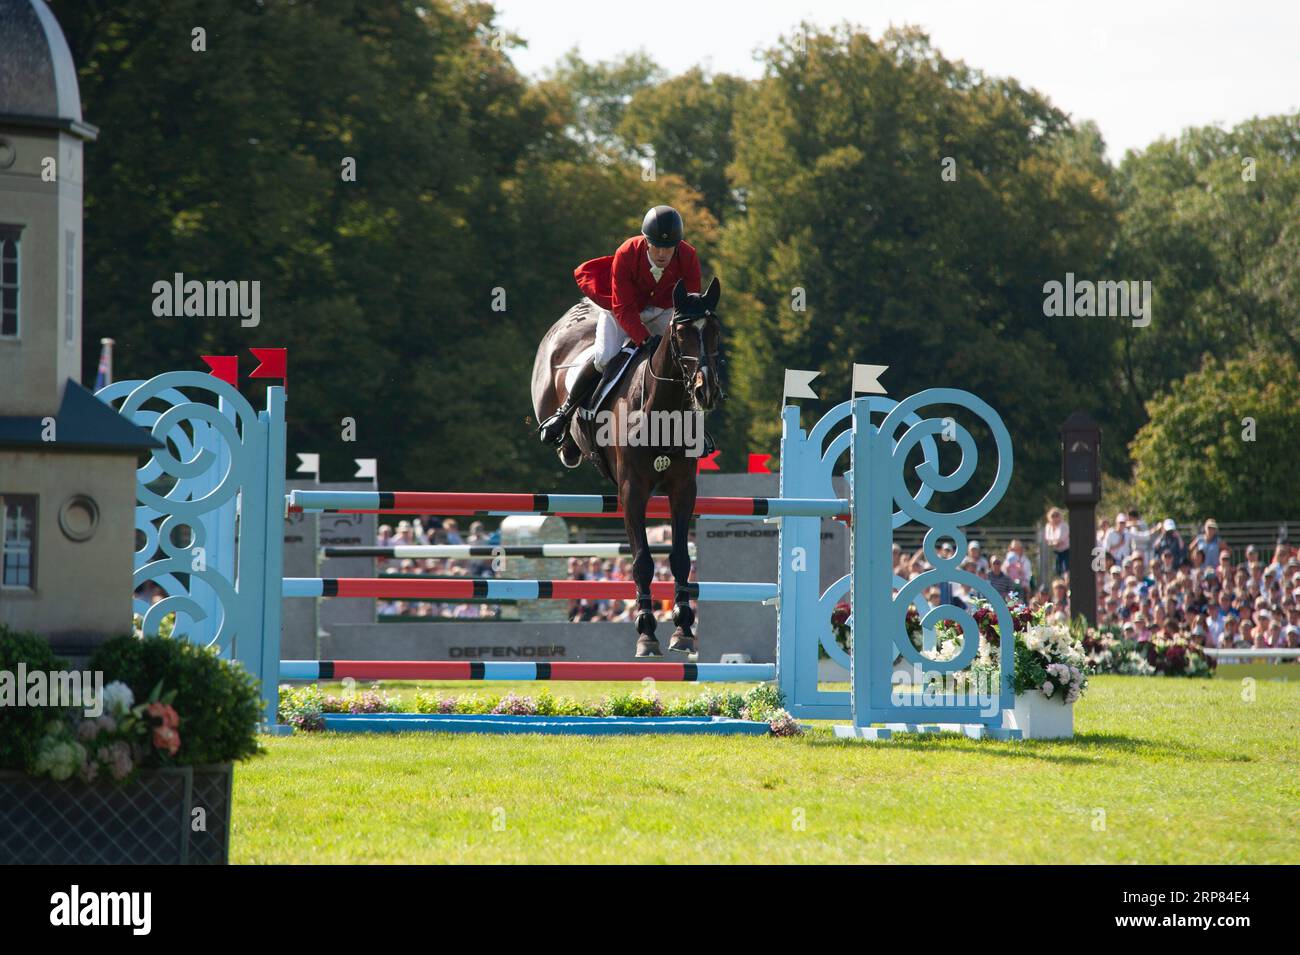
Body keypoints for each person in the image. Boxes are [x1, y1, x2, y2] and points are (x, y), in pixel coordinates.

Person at [538, 205, 703, 444]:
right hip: (624, 309)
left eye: (668, 247)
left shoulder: (688, 256)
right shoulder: (627, 252)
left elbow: (688, 305)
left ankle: (694, 427)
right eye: (656, 246)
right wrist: (645, 340)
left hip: (664, 310)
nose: (662, 254)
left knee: (684, 361)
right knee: (604, 358)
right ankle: (564, 413)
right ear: (646, 241)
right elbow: (624, 308)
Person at [1044, 507, 1069, 576]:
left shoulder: (1064, 525)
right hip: (1055, 551)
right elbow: (1047, 539)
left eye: (1057, 515)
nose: (1055, 518)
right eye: (1053, 516)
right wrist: (1054, 542)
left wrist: (1053, 542)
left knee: (1066, 569)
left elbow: (1062, 539)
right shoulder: (1048, 526)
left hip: (1066, 551)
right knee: (1056, 569)